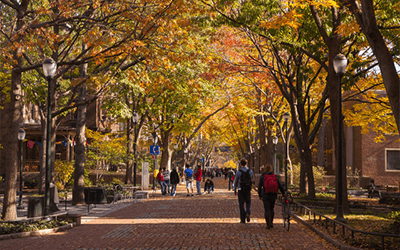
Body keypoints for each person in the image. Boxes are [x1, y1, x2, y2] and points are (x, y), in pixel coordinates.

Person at [258, 164, 285, 229]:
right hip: (273, 194)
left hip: (265, 194)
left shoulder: (263, 176)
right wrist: (283, 193)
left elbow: (259, 187)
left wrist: (260, 194)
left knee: (266, 209)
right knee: (271, 208)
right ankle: (271, 222)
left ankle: (268, 224)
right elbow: (280, 185)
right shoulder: (275, 176)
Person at [234, 158, 254, 223]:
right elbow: (253, 180)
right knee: (248, 202)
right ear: (246, 163)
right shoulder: (250, 171)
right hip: (248, 189)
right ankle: (248, 212)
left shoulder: (238, 172)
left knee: (241, 204)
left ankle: (243, 219)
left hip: (240, 189)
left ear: (240, 164)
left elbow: (236, 181)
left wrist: (235, 189)